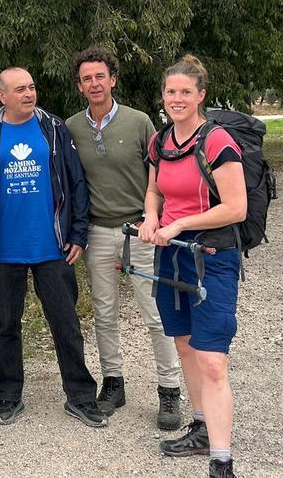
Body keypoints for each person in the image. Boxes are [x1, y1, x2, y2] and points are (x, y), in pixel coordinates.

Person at [0, 67, 107, 428]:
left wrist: (77, 234)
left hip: (52, 247)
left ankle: (81, 396)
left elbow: (76, 182)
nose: (29, 94)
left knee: (66, 323)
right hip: (3, 249)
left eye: (31, 87)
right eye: (20, 89)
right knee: (6, 325)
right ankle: (9, 397)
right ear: (2, 96)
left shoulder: (54, 128)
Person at [138, 55, 246, 478]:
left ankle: (222, 461)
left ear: (201, 95)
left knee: (212, 359)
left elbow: (236, 208)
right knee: (183, 344)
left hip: (212, 257)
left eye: (186, 92)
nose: (177, 99)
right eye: (170, 92)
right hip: (173, 253)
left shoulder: (218, 142)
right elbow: (153, 190)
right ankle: (200, 427)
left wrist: (179, 222)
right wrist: (151, 217)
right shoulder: (160, 141)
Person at [65, 47, 183, 429]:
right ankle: (113, 383)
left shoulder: (138, 122)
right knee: (104, 313)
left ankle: (169, 390)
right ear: (80, 85)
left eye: (101, 76)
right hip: (97, 232)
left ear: (112, 79)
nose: (95, 83)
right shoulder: (72, 128)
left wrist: (155, 219)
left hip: (140, 230)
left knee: (156, 314)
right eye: (87, 78)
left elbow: (159, 175)